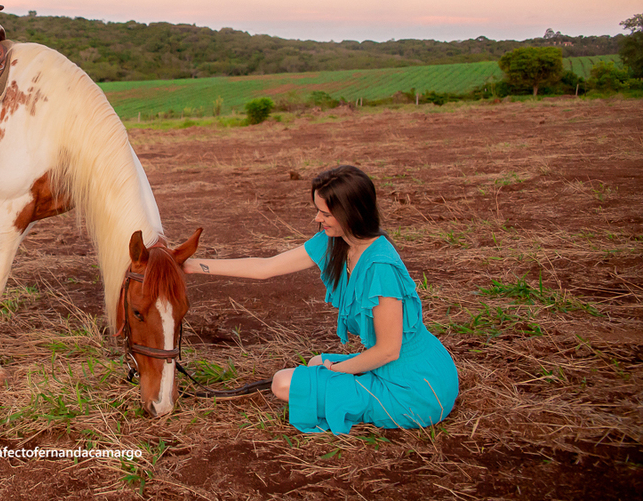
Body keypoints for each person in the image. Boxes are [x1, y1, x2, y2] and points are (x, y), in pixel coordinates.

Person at [185, 165, 458, 434]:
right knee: (315, 362)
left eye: (325, 213)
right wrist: (191, 264)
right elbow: (264, 268)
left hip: (414, 387)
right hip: (401, 367)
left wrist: (337, 369)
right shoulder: (337, 243)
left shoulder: (381, 267)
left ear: (351, 213)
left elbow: (388, 350)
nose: (318, 218)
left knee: (282, 383)